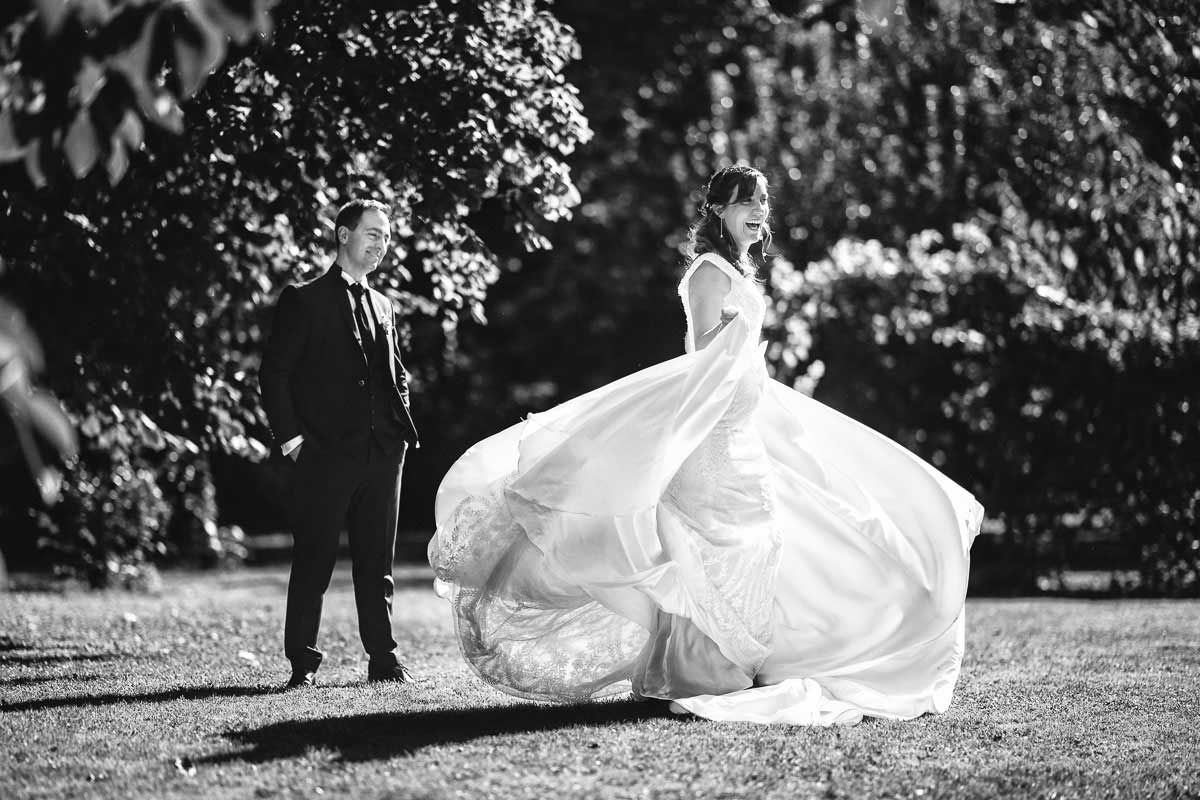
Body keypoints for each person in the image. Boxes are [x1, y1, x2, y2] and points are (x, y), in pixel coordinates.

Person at [428, 165, 983, 724]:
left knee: (765, 538)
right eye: (747, 201)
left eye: (764, 200)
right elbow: (702, 350)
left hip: (743, 428)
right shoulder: (708, 270)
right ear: (718, 209)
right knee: (724, 543)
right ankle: (710, 668)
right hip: (714, 439)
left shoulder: (739, 268)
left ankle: (733, 661)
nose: (759, 210)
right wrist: (741, 335)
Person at [260, 198, 420, 689]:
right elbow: (275, 374)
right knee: (314, 560)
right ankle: (302, 665)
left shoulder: (384, 305)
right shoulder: (303, 300)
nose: (381, 244)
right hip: (323, 456)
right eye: (372, 233)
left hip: (382, 455)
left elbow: (395, 374)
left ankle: (384, 660)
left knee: (378, 564)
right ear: (343, 235)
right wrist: (292, 442)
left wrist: (399, 430)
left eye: (386, 237)